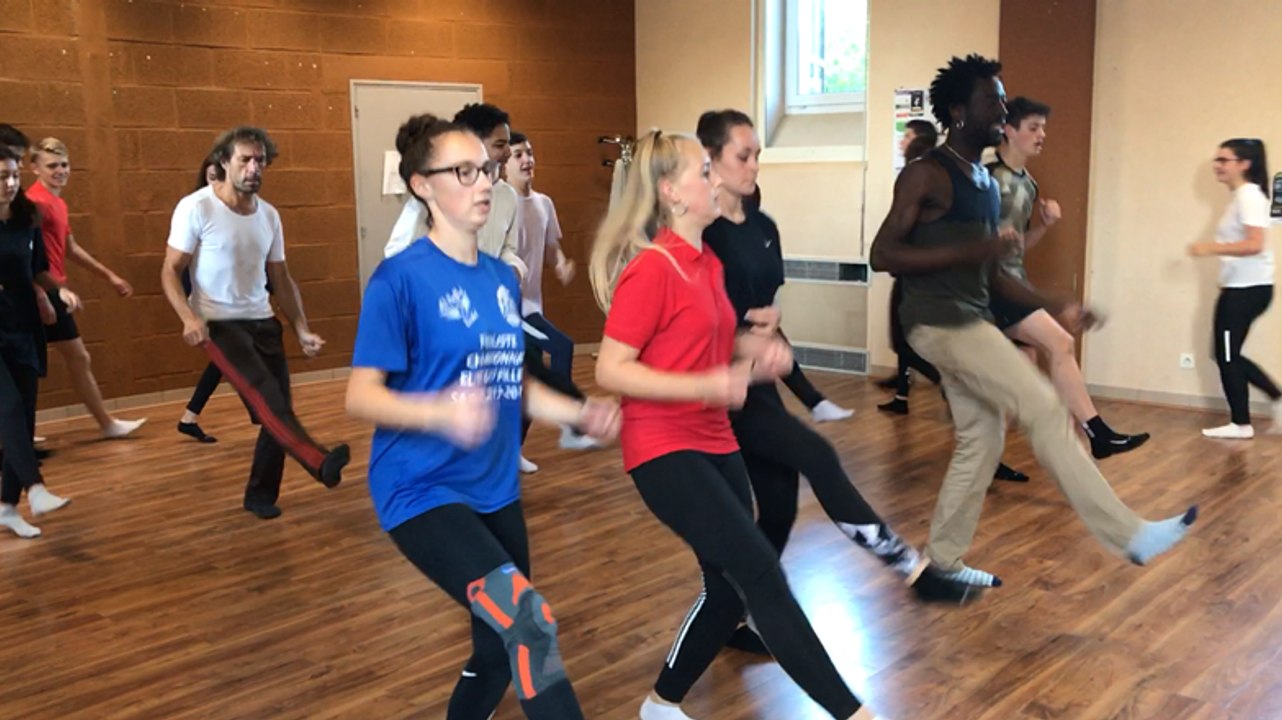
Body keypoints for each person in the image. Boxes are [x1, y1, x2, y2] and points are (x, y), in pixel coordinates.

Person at [590, 130, 892, 720]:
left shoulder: (705, 265)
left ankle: (660, 705)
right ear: (672, 193)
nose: (715, 178)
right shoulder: (651, 269)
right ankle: (853, 713)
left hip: (714, 439)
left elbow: (701, 343)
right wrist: (704, 385)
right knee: (758, 571)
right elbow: (611, 368)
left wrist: (753, 355)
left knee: (727, 588)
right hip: (661, 449)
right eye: (703, 171)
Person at [869, 54, 1197, 590]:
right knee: (1045, 407)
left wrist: (1053, 302)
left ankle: (942, 566)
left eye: (1003, 98)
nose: (1002, 107)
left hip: (969, 317)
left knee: (981, 438)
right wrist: (974, 248)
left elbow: (992, 276)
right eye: (991, 99)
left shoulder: (984, 183)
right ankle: (1129, 535)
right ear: (958, 109)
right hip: (938, 323)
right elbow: (883, 254)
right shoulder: (927, 174)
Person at [347, 113, 619, 720]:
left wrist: (577, 413)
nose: (484, 183)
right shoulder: (397, 282)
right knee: (529, 622)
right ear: (423, 185)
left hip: (494, 489)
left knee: (499, 652)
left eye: (488, 170)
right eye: (464, 171)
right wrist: (439, 410)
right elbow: (360, 397)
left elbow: (511, 382)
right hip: (421, 492)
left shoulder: (500, 278)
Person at [160, 126, 350, 519]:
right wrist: (188, 317)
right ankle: (319, 462)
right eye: (244, 159)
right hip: (218, 324)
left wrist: (300, 327)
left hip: (263, 322)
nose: (253, 167)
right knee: (267, 398)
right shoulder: (196, 208)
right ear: (223, 163)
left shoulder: (269, 216)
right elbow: (169, 270)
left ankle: (260, 495)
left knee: (276, 409)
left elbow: (280, 278)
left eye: (259, 160)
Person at [987, 97, 1149, 459]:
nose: (1042, 135)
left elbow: (1018, 247)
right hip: (991, 288)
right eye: (1033, 128)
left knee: (1022, 375)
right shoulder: (986, 177)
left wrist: (1043, 227)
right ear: (1009, 131)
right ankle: (1098, 433)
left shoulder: (1027, 185)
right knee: (1059, 342)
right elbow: (964, 239)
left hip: (1015, 282)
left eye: (1043, 128)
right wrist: (988, 242)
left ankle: (989, 460)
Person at [26, 138, 146, 439]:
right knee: (28, 364)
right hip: (36, 291)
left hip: (53, 290)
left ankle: (106, 424)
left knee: (74, 358)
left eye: (64, 165)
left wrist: (109, 276)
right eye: (52, 165)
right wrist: (45, 291)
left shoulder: (58, 203)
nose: (60, 171)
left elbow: (71, 248)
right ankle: (22, 431)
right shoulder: (33, 203)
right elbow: (23, 254)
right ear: (35, 168)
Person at [505, 132, 597, 471]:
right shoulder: (500, 204)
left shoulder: (544, 204)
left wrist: (560, 263)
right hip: (509, 312)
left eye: (529, 153)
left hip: (531, 308)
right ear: (505, 165)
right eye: (518, 155)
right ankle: (571, 423)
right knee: (561, 348)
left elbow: (552, 248)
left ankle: (511, 450)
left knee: (530, 378)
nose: (527, 160)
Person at [0, 143, 72, 537]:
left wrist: (56, 292)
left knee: (24, 416)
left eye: (13, 176)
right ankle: (36, 487)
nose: (10, 183)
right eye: (2, 177)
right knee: (8, 407)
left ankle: (7, 507)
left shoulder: (27, 218)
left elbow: (39, 269)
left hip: (22, 326)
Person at [738, 185, 855, 423]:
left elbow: (773, 271)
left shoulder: (763, 227)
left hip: (756, 308)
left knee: (771, 354)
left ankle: (813, 402)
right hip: (741, 311)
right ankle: (812, 402)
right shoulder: (726, 231)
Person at [1188, 138, 1279, 438]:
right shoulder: (1242, 197)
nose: (1218, 165)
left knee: (1227, 355)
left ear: (1244, 163)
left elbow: (1255, 244)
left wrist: (1210, 247)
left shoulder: (1249, 197)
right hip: (1243, 288)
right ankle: (1262, 407)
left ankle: (1242, 422)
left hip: (1245, 291)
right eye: (1217, 159)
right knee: (1227, 354)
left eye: (1224, 160)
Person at [879, 119, 945, 412]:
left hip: (915, 271)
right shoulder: (937, 172)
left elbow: (906, 225)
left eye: (906, 136)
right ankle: (902, 396)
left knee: (904, 338)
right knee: (905, 337)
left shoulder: (919, 175)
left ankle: (946, 381)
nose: (901, 141)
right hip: (918, 270)